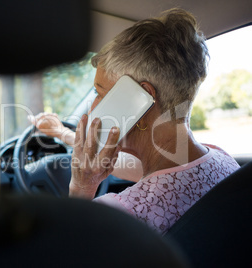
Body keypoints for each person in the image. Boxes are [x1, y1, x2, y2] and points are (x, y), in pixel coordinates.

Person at [29, 8, 240, 234]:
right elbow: (134, 169)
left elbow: (65, 253)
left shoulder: (125, 214)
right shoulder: (221, 162)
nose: (93, 107)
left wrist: (81, 187)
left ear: (140, 99)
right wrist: (63, 133)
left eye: (99, 93)